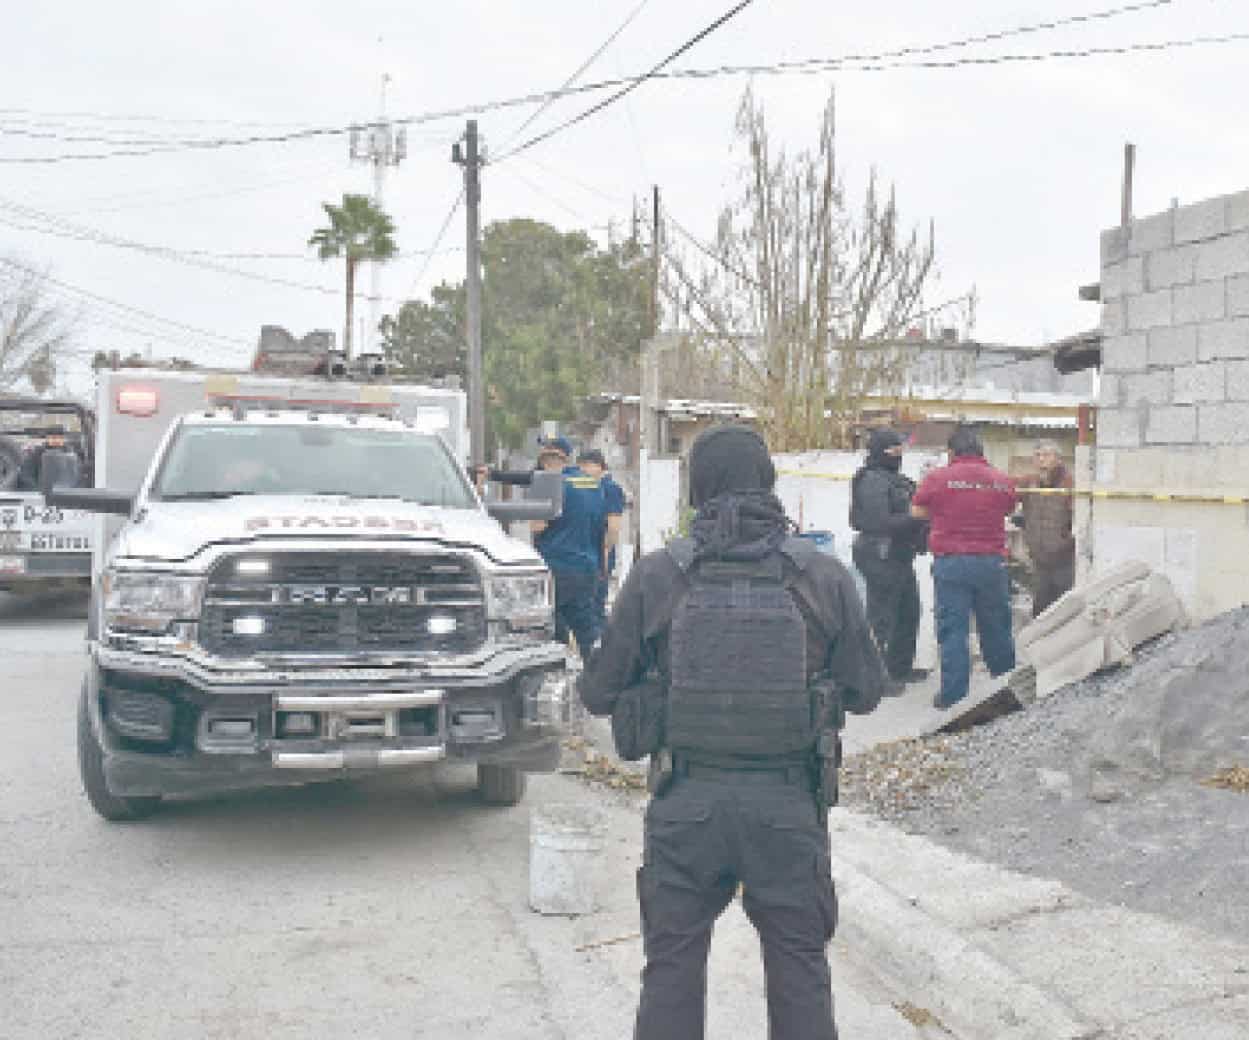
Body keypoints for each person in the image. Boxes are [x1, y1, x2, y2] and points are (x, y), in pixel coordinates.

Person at [580, 424, 889, 1040]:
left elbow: (597, 691)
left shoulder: (658, 575)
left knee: (671, 970)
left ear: (697, 489)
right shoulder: (822, 576)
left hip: (686, 806)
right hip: (787, 806)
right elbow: (868, 690)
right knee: (799, 969)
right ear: (768, 483)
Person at [911, 425, 1019, 709]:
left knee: (953, 630)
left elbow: (917, 510)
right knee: (996, 628)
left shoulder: (938, 478)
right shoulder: (1001, 480)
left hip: (953, 563)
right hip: (991, 564)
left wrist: (945, 510)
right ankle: (1006, 689)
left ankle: (955, 696)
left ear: (951, 452)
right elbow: (1008, 508)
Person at [849, 428, 929, 683]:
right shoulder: (872, 480)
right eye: (892, 451)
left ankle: (899, 668)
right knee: (882, 617)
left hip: (899, 554)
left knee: (908, 612)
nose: (897, 456)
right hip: (879, 554)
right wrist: (914, 518)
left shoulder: (897, 479)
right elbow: (878, 521)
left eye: (899, 451)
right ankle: (875, 677)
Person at [529, 436, 606, 659]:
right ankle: (597, 678)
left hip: (557, 568)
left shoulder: (547, 483)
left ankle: (558, 680)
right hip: (588, 568)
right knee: (588, 631)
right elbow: (603, 527)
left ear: (546, 458)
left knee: (553, 631)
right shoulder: (591, 483)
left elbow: (538, 526)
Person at [1014, 439, 1075, 617]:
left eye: (1046, 455)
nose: (1041, 459)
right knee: (1040, 608)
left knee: (1063, 609)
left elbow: (1079, 516)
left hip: (1064, 558)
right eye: (1037, 455)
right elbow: (1007, 492)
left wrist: (1068, 540)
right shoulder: (1029, 483)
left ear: (1058, 459)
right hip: (1039, 559)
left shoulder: (1069, 484)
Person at [576, 448, 625, 627]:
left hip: (600, 552)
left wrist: (605, 551)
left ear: (599, 466)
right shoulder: (590, 487)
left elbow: (613, 526)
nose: (583, 471)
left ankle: (602, 649)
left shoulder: (610, 489)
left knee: (595, 607)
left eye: (586, 466)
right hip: (588, 553)